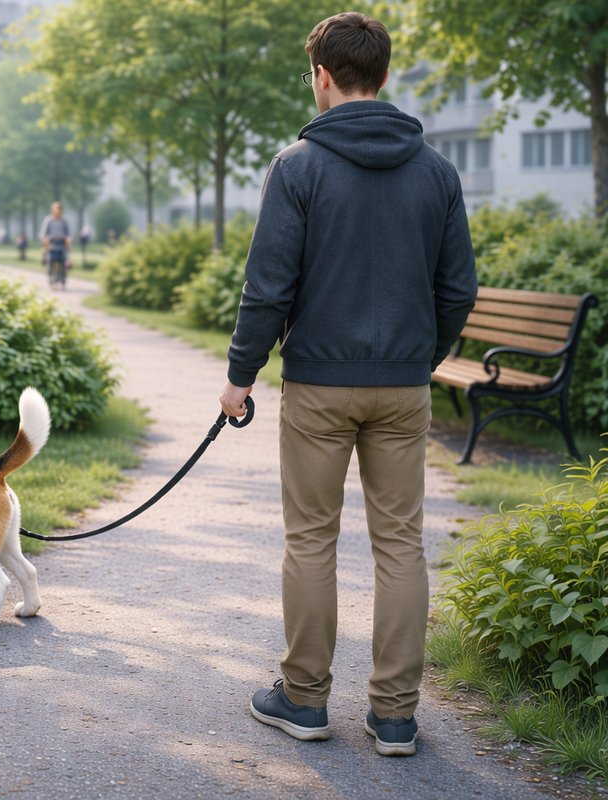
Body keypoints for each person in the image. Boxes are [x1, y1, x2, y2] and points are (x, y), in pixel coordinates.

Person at [220, 12, 477, 758]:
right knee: (401, 545)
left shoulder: (297, 166)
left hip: (319, 387)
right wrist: (421, 356)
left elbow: (268, 287)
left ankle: (303, 701)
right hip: (403, 387)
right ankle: (395, 716)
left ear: (323, 77)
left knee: (311, 539)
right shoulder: (437, 171)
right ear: (385, 76)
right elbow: (457, 289)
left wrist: (240, 375)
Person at [39, 201, 72, 288]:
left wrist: (68, 240)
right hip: (52, 244)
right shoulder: (48, 220)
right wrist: (46, 241)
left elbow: (69, 234)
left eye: (60, 209)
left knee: (63, 261)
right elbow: (43, 234)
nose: (58, 211)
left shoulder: (64, 221)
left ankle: (62, 279)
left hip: (62, 244)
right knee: (51, 261)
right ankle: (51, 278)